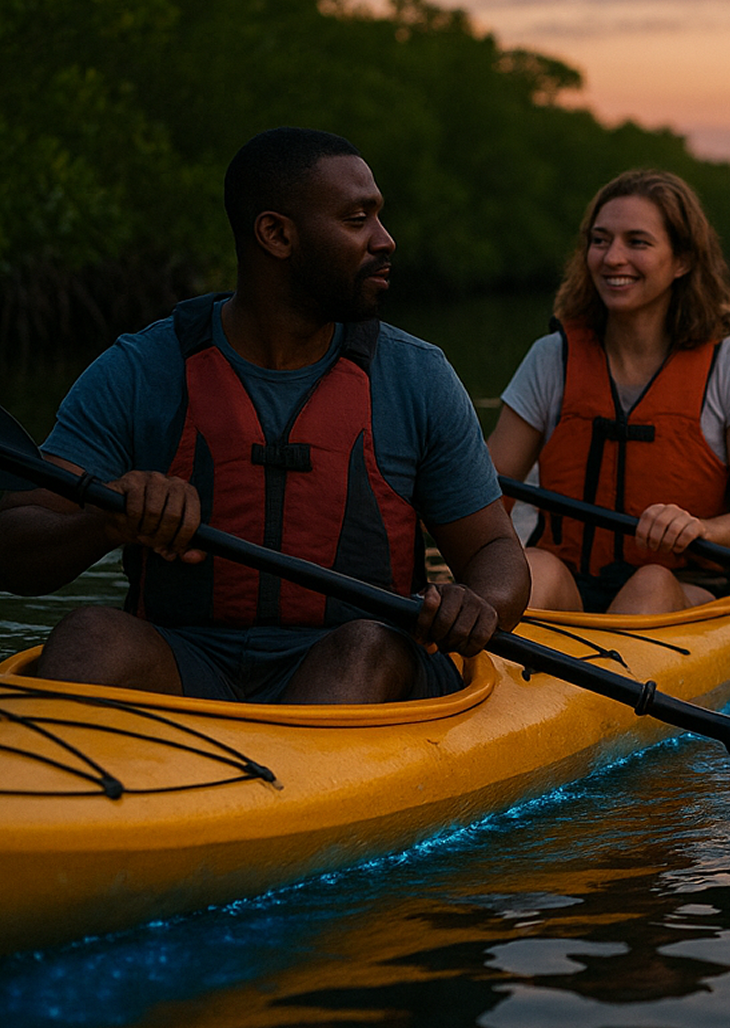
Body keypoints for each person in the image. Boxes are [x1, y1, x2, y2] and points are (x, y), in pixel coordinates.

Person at [0, 127, 529, 703]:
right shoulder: (139, 369)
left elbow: (494, 553)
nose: (386, 240)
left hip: (361, 665)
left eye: (378, 217)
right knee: (89, 634)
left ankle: (308, 784)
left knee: (363, 650)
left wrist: (479, 602)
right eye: (357, 220)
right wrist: (106, 521)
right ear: (276, 234)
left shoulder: (418, 376)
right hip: (187, 660)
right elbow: (14, 545)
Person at [487, 169, 730, 615]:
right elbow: (486, 493)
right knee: (533, 568)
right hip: (570, 581)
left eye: (637, 242)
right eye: (600, 240)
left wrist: (701, 529)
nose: (612, 258)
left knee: (649, 583)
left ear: (683, 260)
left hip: (691, 587)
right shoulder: (551, 357)